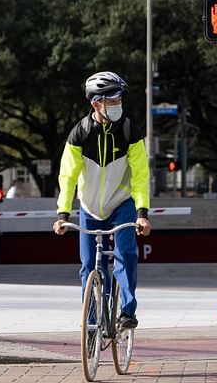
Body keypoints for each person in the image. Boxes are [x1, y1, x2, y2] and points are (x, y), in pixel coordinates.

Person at [52, 71, 151, 329]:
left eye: (120, 99)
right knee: (88, 266)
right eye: (113, 100)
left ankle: (127, 312)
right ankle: (94, 324)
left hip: (122, 203)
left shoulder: (130, 131)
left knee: (126, 253)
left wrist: (142, 213)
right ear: (96, 103)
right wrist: (63, 215)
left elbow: (140, 175)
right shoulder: (79, 134)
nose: (118, 105)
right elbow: (68, 177)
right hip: (89, 207)